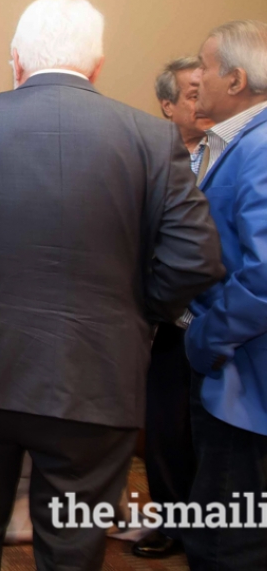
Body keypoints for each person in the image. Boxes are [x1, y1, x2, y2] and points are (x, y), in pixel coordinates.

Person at [0, 0, 222, 571]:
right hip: (97, 372)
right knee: (73, 548)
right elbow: (195, 259)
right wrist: (137, 313)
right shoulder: (150, 139)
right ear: (98, 65)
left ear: (15, 60)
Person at [183, 19, 267, 571]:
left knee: (229, 540)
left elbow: (264, 275)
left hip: (245, 377)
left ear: (235, 80)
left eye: (205, 66)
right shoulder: (237, 143)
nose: (197, 76)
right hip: (237, 372)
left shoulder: (259, 149)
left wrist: (205, 339)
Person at [132, 56, 213, 560]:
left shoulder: (229, 152)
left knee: (213, 433)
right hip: (164, 320)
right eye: (190, 93)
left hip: (218, 320)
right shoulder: (147, 158)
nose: (201, 101)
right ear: (167, 105)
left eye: (204, 89)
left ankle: (215, 528)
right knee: (164, 430)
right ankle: (175, 524)